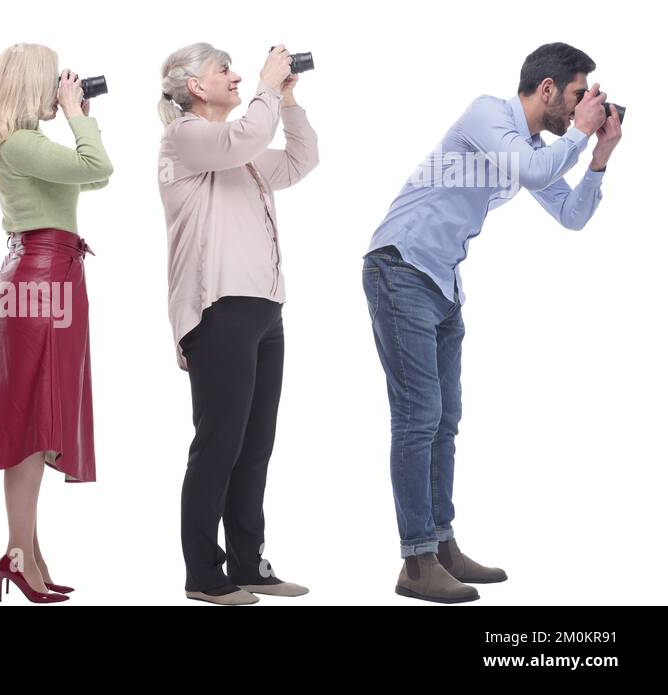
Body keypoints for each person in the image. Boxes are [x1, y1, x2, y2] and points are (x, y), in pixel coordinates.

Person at [362, 42, 622, 603]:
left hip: (442, 283)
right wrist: (579, 135)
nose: (585, 108)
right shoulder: (489, 114)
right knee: (418, 417)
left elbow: (572, 216)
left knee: (446, 419)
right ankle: (416, 561)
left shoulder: (531, 147)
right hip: (400, 266)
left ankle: (443, 546)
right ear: (547, 89)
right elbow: (532, 171)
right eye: (579, 96)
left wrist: (599, 156)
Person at [157, 43, 318, 605]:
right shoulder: (187, 137)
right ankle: (204, 574)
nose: (238, 75)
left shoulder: (239, 153)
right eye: (224, 69)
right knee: (218, 443)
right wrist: (268, 89)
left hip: (263, 309)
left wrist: (288, 101)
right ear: (195, 86)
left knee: (256, 444)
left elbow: (301, 160)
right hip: (217, 307)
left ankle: (249, 565)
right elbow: (244, 136)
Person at [0, 43, 112, 604]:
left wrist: (79, 120)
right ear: (33, 85)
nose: (64, 85)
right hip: (41, 281)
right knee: (30, 423)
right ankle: (17, 550)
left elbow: (92, 178)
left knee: (35, 416)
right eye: (55, 79)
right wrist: (79, 114)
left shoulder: (27, 144)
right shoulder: (22, 143)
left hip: (43, 275)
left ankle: (29, 548)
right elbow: (100, 166)